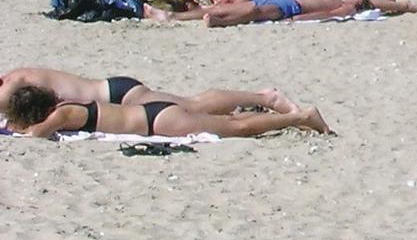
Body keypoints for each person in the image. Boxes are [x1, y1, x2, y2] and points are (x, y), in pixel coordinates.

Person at [4, 81, 331, 140]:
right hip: (151, 112)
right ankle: (281, 112)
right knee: (229, 121)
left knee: (236, 128)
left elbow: (36, 134)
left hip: (157, 121)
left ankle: (301, 116)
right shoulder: (65, 107)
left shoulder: (62, 115)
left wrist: (15, 128)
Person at [1, 67, 300, 116]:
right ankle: (254, 103)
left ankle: (265, 97)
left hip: (119, 96)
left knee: (194, 105)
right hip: (115, 92)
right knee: (193, 106)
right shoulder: (17, 76)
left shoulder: (15, 82)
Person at [174, 0, 417, 27]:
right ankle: (397, 4)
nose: (215, 0)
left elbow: (328, 12)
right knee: (253, 12)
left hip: (294, 6)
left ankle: (402, 6)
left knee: (353, 2)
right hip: (289, 6)